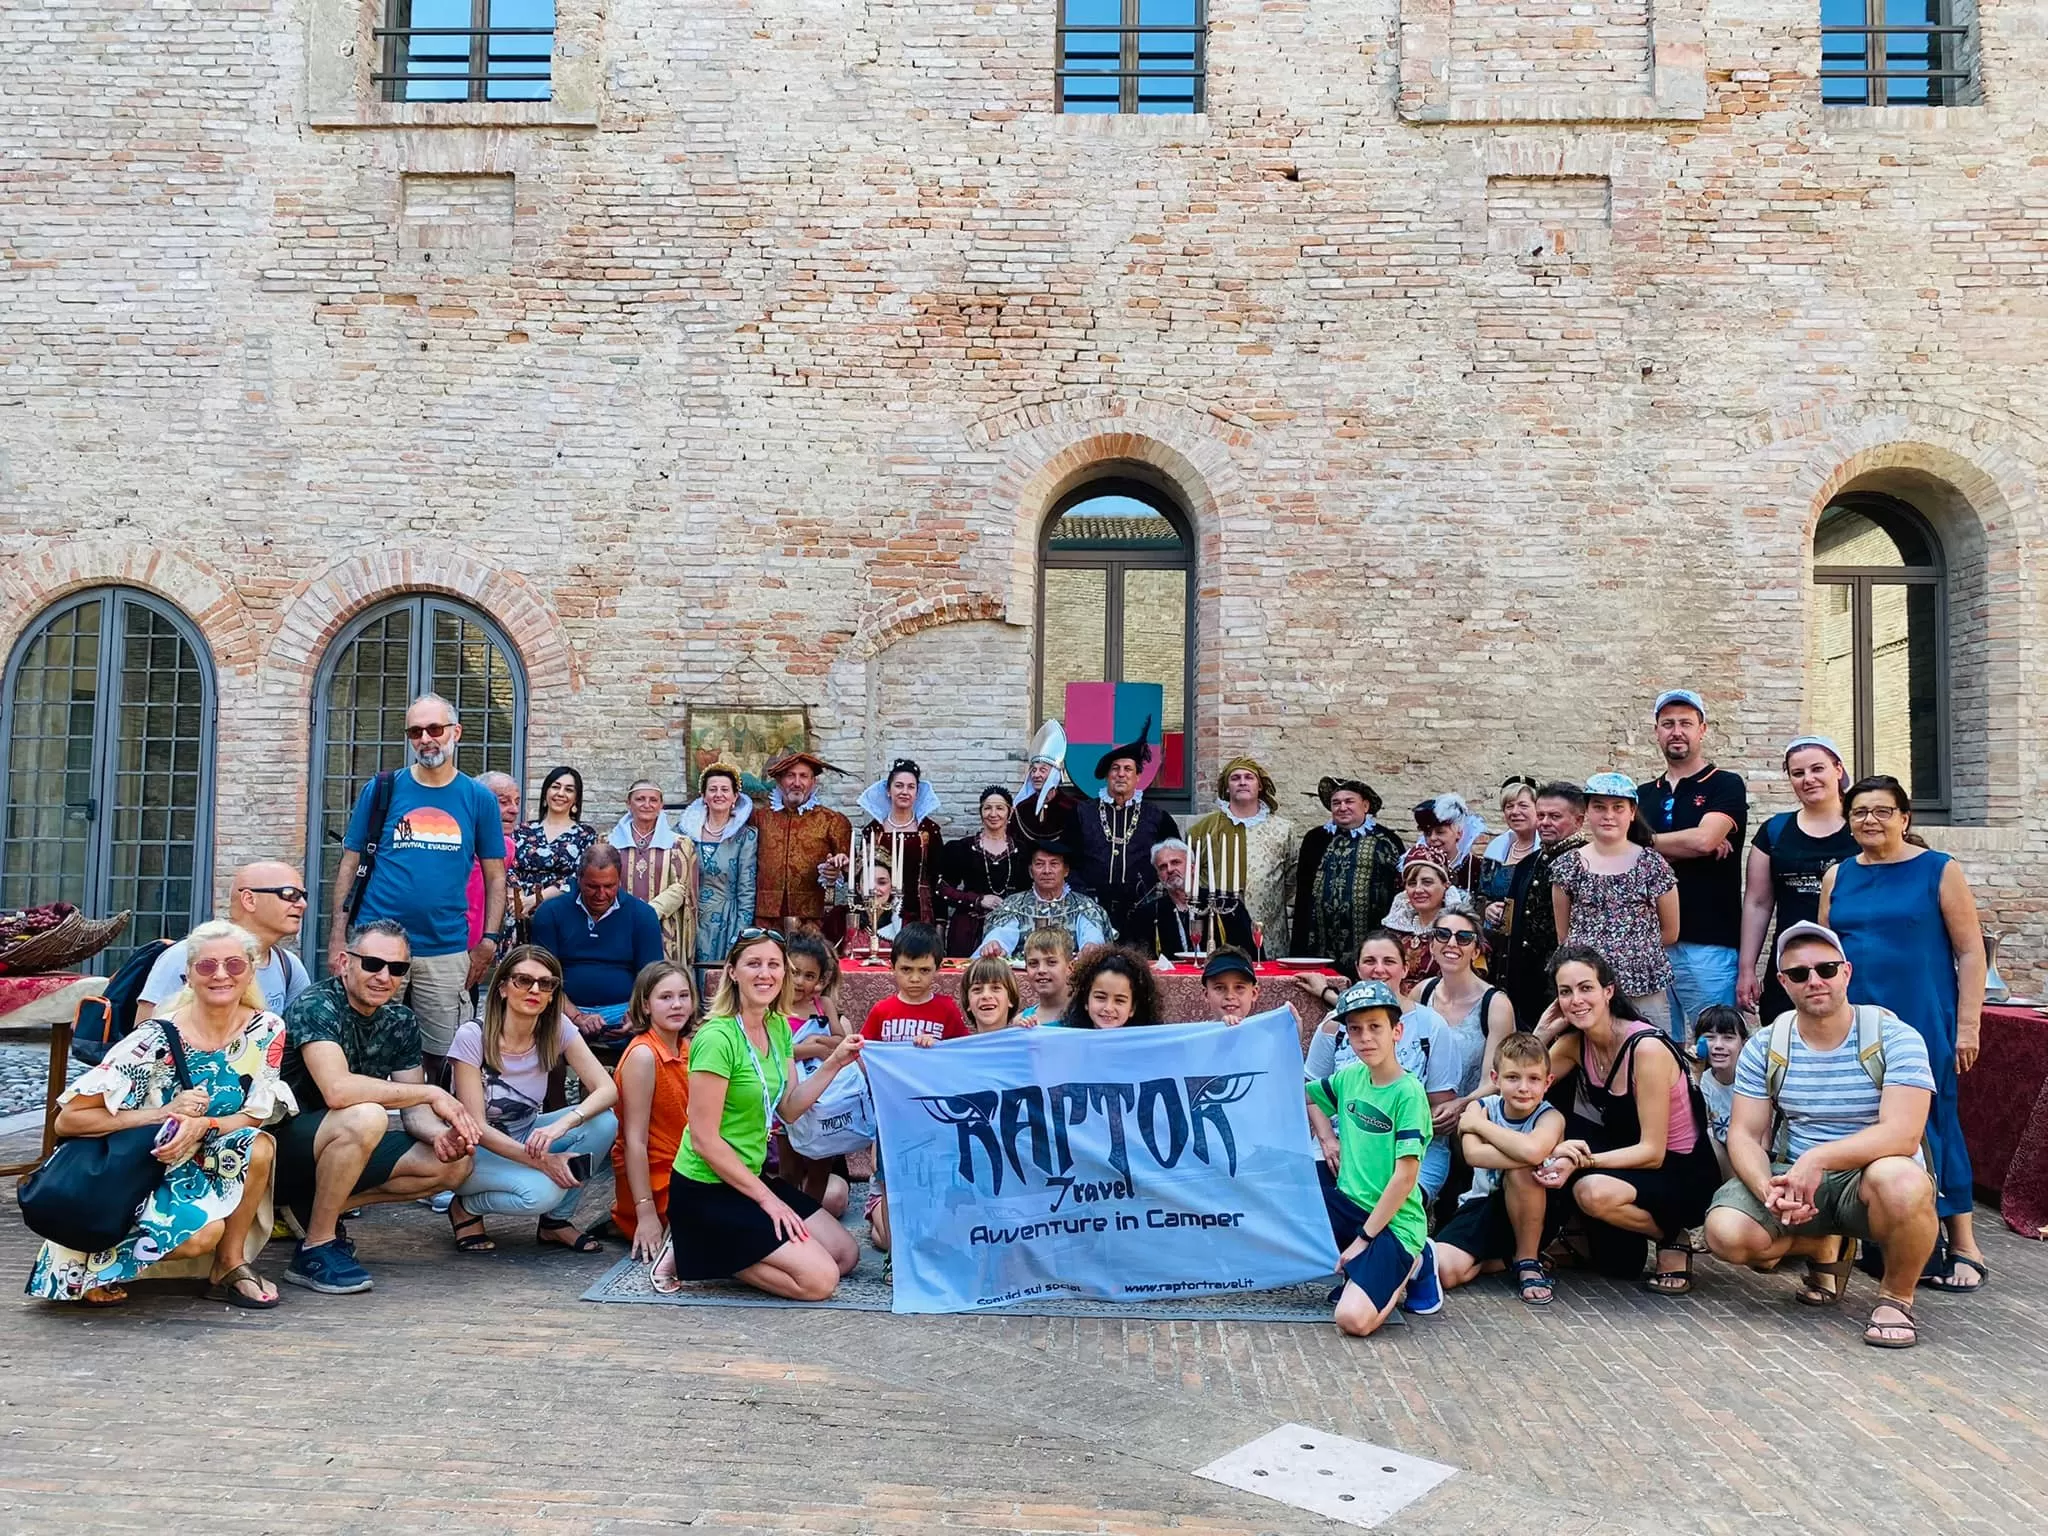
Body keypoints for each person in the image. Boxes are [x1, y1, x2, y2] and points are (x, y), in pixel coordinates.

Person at [26, 921, 294, 1308]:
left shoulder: (266, 1028)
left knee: (260, 1146)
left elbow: (255, 1114)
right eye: (207, 966)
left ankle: (230, 1265)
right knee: (202, 1234)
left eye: (234, 965)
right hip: (141, 1168)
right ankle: (96, 1260)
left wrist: (204, 1124)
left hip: (203, 1159)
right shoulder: (154, 1038)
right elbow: (68, 1120)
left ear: (251, 970)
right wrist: (162, 1114)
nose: (221, 975)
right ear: (189, 976)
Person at [1704, 922, 1940, 1348]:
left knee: (1901, 1182)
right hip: (1796, 1173)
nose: (1814, 981)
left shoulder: (1895, 1037)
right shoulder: (1768, 1044)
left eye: (1826, 969)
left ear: (1846, 973)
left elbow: (1903, 1135)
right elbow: (1743, 1133)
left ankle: (1895, 1298)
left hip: (1869, 1176)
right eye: (1799, 974)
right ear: (1783, 983)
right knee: (1726, 1232)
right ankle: (1821, 1247)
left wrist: (1818, 1159)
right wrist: (1767, 1189)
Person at [1820, 775, 1989, 1292]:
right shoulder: (1838, 875)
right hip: (1856, 1021)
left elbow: (1970, 950)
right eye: (1860, 812)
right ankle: (1883, 1236)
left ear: (1905, 818)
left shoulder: (1939, 870)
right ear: (1848, 821)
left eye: (1882, 811)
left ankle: (1962, 1241)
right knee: (1865, 1118)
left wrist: (1968, 1025)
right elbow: (1823, 953)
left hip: (1922, 1016)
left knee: (1934, 1121)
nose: (1870, 820)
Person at [277, 919, 481, 1295]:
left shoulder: (400, 1020)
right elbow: (337, 1090)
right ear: (344, 962)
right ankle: (317, 1247)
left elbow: (414, 1112)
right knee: (366, 1115)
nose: (384, 976)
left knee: (455, 1164)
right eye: (373, 964)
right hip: (283, 1146)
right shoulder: (317, 1004)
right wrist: (432, 1094)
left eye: (397, 968)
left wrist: (442, 1135)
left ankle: (314, 1208)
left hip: (341, 1147)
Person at [661, 928, 867, 1300]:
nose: (765, 973)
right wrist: (769, 1201)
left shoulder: (776, 1026)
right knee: (819, 1281)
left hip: (748, 1179)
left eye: (774, 964)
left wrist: (834, 1062)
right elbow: (705, 1140)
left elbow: (788, 1106)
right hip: (707, 1188)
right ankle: (695, 1243)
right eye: (753, 964)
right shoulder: (716, 1038)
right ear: (732, 972)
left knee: (844, 1256)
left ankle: (708, 1244)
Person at [327, 693, 507, 1079]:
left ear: (455, 733)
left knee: (446, 1057)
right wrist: (339, 938)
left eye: (435, 729)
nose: (426, 738)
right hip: (376, 946)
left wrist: (488, 940)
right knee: (364, 1049)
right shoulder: (383, 789)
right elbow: (351, 862)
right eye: (415, 731)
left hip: (445, 946)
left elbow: (495, 875)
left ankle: (437, 1131)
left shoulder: (478, 799)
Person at [1536, 946, 1720, 1293]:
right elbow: (1522, 1084)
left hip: (1678, 1170)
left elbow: (1653, 1151)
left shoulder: (1646, 1048)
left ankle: (1673, 1236)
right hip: (1626, 1157)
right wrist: (1542, 1033)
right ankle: (1578, 1235)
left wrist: (1576, 1161)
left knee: (1591, 1192)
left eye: (1586, 987)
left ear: (1609, 991)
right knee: (1616, 1264)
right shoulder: (1577, 1043)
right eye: (1565, 992)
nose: (1576, 1000)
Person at [445, 946, 620, 1254]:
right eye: (523, 980)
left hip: (527, 1136)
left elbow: (607, 1089)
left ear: (553, 994)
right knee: (540, 1193)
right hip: (476, 1152)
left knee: (604, 1122)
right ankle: (465, 1207)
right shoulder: (473, 1035)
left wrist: (561, 1126)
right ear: (502, 987)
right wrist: (544, 1161)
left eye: (546, 983)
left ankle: (556, 1223)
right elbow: (477, 1128)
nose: (535, 989)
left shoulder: (556, 1027)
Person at [1305, 980, 1436, 1336]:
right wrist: (1327, 1137)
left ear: (1397, 1031)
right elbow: (1305, 1096)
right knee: (1296, 1184)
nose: (1365, 1038)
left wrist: (1364, 1238)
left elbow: (1405, 1179)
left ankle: (1417, 1261)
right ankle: (1362, 1272)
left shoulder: (1409, 1095)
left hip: (1390, 1223)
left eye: (1375, 1027)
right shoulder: (1350, 1077)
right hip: (1350, 1206)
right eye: (1355, 1029)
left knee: (1352, 1321)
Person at [1305, 930, 1467, 1204]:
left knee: (1380, 1209)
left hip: (1408, 1149)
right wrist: (1328, 1141)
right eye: (1369, 961)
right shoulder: (1334, 1025)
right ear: (1357, 968)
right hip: (1341, 1144)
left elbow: (1440, 1107)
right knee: (1319, 1211)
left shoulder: (1431, 1026)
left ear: (1405, 968)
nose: (1378, 969)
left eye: (1389, 961)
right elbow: (1310, 1092)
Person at [1639, 689, 1748, 1040]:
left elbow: (1704, 840)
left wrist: (1648, 843)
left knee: (1717, 1044)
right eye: (1667, 724)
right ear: (1656, 731)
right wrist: (1689, 844)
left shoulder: (1725, 784)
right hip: (1650, 942)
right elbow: (1623, 852)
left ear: (1702, 729)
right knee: (1657, 1047)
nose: (1676, 731)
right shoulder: (1642, 794)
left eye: (1686, 723)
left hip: (1709, 942)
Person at [1435, 1032, 1567, 1305]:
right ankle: (1506, 1259)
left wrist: (1479, 1125)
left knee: (1523, 1172)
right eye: (1512, 1077)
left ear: (1548, 1082)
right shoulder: (1480, 1106)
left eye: (1533, 1079)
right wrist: (1533, 1153)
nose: (1523, 1087)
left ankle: (1528, 1260)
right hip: (1481, 1205)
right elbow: (1473, 1155)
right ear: (1495, 1079)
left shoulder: (1550, 1117)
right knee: (1445, 1273)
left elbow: (1533, 1151)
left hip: (1535, 1208)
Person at [1739, 738, 1858, 1025]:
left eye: (1818, 769)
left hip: (1853, 964)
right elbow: (1757, 903)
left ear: (1838, 770)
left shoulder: (1862, 827)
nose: (1809, 779)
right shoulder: (1775, 831)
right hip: (1793, 965)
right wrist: (1746, 969)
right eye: (1798, 773)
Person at [1549, 773, 1680, 1028]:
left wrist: (1628, 950)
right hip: (1586, 989)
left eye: (1618, 807)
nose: (1608, 815)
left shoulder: (1652, 865)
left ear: (1632, 813)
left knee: (1649, 1053)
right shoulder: (1568, 867)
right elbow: (1563, 935)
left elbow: (1671, 931)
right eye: (1599, 807)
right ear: (1587, 811)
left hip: (1643, 986)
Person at [138, 861, 314, 1021]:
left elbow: (300, 1036)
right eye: (290, 894)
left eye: (303, 896)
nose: (302, 904)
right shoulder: (185, 955)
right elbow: (145, 1037)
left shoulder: (289, 966)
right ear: (249, 899)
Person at [529, 844, 666, 1044]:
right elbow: (542, 977)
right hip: (560, 1010)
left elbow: (652, 977)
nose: (601, 894)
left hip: (622, 1010)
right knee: (545, 1032)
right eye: (592, 887)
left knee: (653, 1036)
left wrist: (635, 1013)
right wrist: (576, 1016)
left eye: (609, 886)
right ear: (579, 879)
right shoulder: (551, 913)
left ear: (619, 880)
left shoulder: (642, 915)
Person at [610, 961, 697, 1272]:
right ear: (645, 1005)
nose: (677, 1005)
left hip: (691, 1166)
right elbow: (633, 1142)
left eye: (684, 996)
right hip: (656, 1178)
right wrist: (645, 1212)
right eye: (665, 997)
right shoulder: (644, 1055)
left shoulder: (689, 1047)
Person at [773, 927, 855, 1218]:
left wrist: (818, 1044)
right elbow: (772, 1051)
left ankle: (810, 1216)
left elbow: (838, 1041)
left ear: (821, 980)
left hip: (823, 1096)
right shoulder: (775, 1008)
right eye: (794, 972)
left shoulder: (824, 1005)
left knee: (821, 1161)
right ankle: (788, 1219)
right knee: (790, 1166)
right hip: (788, 1097)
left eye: (809, 976)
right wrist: (812, 1048)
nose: (800, 982)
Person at [1414, 906, 1518, 1132]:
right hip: (1417, 1119)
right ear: (1432, 945)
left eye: (1463, 938)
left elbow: (1494, 1080)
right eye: (1442, 934)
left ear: (1476, 951)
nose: (1452, 943)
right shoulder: (1421, 993)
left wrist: (1460, 1105)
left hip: (1472, 1123)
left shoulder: (1495, 1004)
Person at [1290, 776, 1405, 972]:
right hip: (1319, 947)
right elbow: (1303, 896)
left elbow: (1399, 891)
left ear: (1366, 806)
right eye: (1336, 803)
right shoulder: (1315, 840)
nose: (1342, 807)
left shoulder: (1386, 841)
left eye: (1349, 801)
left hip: (1370, 942)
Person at [1497, 782, 1587, 1029]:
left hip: (1561, 984)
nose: (1545, 822)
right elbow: (1511, 923)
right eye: (1541, 815)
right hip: (1522, 983)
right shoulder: (1528, 863)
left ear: (1578, 821)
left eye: (1555, 816)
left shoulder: (1587, 864)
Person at [1070, 733, 1179, 934]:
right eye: (1115, 768)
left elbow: (1174, 861)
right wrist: (1082, 897)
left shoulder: (1158, 817)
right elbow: (1069, 861)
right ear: (1107, 776)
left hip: (1143, 910)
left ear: (1138, 777)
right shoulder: (1082, 813)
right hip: (1090, 910)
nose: (1121, 774)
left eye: (1128, 769)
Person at [1185, 756, 1296, 946]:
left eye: (1249, 777)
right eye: (1235, 778)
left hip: (1267, 925)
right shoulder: (1203, 829)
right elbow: (1193, 876)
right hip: (1219, 922)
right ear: (1227, 788)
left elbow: (1291, 879)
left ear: (1260, 786)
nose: (1242, 782)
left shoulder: (1283, 829)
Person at [753, 750, 852, 940]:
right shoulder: (759, 818)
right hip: (766, 917)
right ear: (780, 781)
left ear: (813, 782)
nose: (797, 782)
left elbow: (852, 872)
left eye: (803, 776)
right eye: (790, 776)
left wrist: (838, 868)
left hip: (814, 919)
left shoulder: (833, 821)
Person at [681, 762, 758, 991]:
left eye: (725, 790)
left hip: (727, 917)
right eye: (712, 789)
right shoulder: (684, 832)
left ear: (735, 796)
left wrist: (742, 931)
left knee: (720, 978)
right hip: (691, 916)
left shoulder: (746, 836)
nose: (718, 794)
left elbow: (747, 886)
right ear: (703, 796)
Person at [608, 778, 698, 965]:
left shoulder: (679, 844)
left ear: (661, 805)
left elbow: (681, 887)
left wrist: (648, 913)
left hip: (664, 929)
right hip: (619, 922)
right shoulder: (608, 842)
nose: (647, 805)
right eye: (640, 799)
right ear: (628, 803)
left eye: (653, 800)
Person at [937, 786, 1033, 957]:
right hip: (968, 930)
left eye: (1000, 808)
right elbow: (943, 890)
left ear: (1010, 813)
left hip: (1011, 929)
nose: (993, 813)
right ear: (981, 812)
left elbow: (1030, 893)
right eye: (987, 808)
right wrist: (978, 900)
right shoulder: (962, 848)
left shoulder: (1023, 850)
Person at [1126, 839, 1256, 960]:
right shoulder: (1147, 914)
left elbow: (1250, 955)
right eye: (1163, 867)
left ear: (1193, 868)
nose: (1170, 869)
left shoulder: (1226, 905)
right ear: (1159, 876)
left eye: (1175, 862)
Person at [976, 842, 1113, 957]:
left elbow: (1092, 935)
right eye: (1040, 864)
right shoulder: (1013, 905)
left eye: (1054, 864)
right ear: (1031, 871)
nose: (1047, 871)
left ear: (1066, 870)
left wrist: (1091, 946)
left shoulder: (1084, 906)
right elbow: (1001, 935)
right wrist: (994, 944)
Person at [857, 759, 945, 928]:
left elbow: (938, 878)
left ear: (917, 793)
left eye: (911, 787)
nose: (905, 791)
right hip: (882, 913)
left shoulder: (929, 831)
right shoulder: (873, 831)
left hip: (920, 913)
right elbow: (863, 877)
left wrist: (940, 923)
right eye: (899, 785)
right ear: (888, 791)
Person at [511, 766, 598, 928]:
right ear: (546, 793)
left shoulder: (585, 835)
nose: (561, 793)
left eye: (569, 789)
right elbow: (508, 867)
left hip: (562, 913)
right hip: (518, 911)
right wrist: (519, 898)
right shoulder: (522, 831)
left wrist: (536, 899)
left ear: (576, 799)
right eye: (556, 787)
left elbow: (579, 876)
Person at [858, 924, 969, 1043]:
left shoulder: (947, 1009)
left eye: (924, 970)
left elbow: (961, 1050)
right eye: (906, 969)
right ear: (892, 967)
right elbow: (863, 1051)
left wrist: (939, 1046)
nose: (915, 979)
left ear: (937, 969)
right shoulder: (881, 1010)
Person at [1478, 777, 1541, 964]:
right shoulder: (1496, 850)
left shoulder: (1545, 852)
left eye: (1523, 805)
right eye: (1509, 806)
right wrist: (1488, 908)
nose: (1515, 812)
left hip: (1532, 946)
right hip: (1497, 944)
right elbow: (1481, 895)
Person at [1383, 845, 1458, 985]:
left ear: (1445, 886)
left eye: (1427, 882)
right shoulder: (1394, 930)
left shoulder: (1456, 931)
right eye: (1411, 883)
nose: (1418, 890)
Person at [1692, 1004, 1749, 1177]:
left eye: (1728, 1038)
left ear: (1744, 1043)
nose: (1718, 1045)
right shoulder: (1702, 1081)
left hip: (1754, 1154)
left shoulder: (1754, 1078)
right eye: (1709, 1037)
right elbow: (1694, 1128)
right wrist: (1695, 1075)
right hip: (1720, 1160)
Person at [472, 771, 523, 951]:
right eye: (503, 802)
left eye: (517, 802)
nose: (514, 810)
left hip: (478, 945)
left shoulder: (507, 846)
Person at [1057, 943, 1164, 1029]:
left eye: (1120, 1000)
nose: (1108, 1008)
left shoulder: (1146, 1050)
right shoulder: (1068, 1041)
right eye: (1100, 997)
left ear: (1132, 1008)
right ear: (1086, 1001)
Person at [1413, 793, 1487, 898]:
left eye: (1440, 832)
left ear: (1459, 833)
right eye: (1428, 833)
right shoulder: (1416, 866)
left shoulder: (1476, 868)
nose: (1432, 838)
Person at [1015, 926, 1077, 1025]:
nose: (1041, 970)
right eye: (1033, 963)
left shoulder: (1089, 1016)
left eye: (1051, 962)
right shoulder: (1022, 1022)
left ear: (1070, 967)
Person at [1199, 947, 1262, 1026]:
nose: (1229, 996)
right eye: (1219, 988)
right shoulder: (1198, 1035)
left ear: (1253, 993)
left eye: (1239, 987)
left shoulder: (1267, 1035)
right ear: (1206, 994)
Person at [961, 955, 1022, 1032]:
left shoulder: (1027, 1042)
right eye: (977, 989)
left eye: (996, 988)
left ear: (1011, 999)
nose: (986, 995)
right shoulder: (958, 1044)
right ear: (968, 1002)